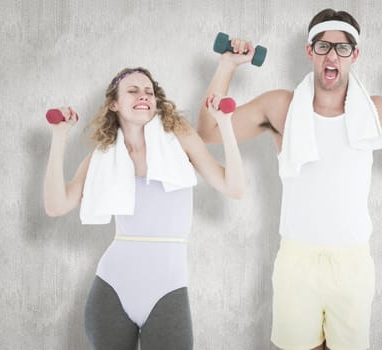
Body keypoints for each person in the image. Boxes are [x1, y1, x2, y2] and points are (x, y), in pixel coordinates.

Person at [197, 9, 382, 350]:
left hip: (352, 263)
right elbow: (209, 130)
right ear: (309, 52)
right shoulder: (281, 107)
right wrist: (227, 65)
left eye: (342, 48)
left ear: (355, 55)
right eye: (323, 46)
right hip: (297, 260)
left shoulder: (377, 112)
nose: (332, 55)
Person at [44, 67, 245, 350]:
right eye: (133, 90)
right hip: (112, 288)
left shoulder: (180, 139)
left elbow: (234, 188)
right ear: (114, 104)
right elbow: (56, 205)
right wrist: (59, 136)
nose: (144, 95)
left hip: (168, 287)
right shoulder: (102, 157)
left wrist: (225, 123)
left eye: (149, 91)